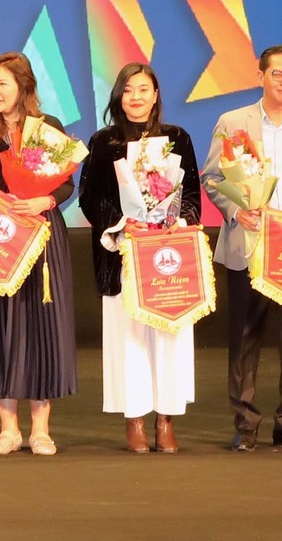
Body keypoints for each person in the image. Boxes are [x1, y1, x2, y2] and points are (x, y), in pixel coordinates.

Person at [202, 44, 282, 451]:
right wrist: (235, 211)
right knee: (245, 337)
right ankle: (245, 424)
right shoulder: (232, 121)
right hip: (248, 241)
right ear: (261, 76)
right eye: (278, 74)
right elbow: (211, 177)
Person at [78, 63, 200, 453]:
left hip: (168, 253)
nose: (136, 97)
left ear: (156, 94)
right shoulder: (104, 141)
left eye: (143, 89)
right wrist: (121, 223)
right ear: (118, 96)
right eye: (128, 90)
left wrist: (176, 220)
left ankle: (166, 419)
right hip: (122, 252)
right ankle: (135, 420)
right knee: (128, 339)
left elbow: (191, 194)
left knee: (169, 335)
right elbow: (89, 196)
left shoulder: (177, 138)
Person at [0, 52, 77, 455]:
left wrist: (44, 200)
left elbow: (68, 184)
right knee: (1, 326)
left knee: (41, 324)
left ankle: (41, 430)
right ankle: (8, 429)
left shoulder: (47, 128)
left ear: (23, 86)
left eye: (3, 84)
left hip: (42, 235)